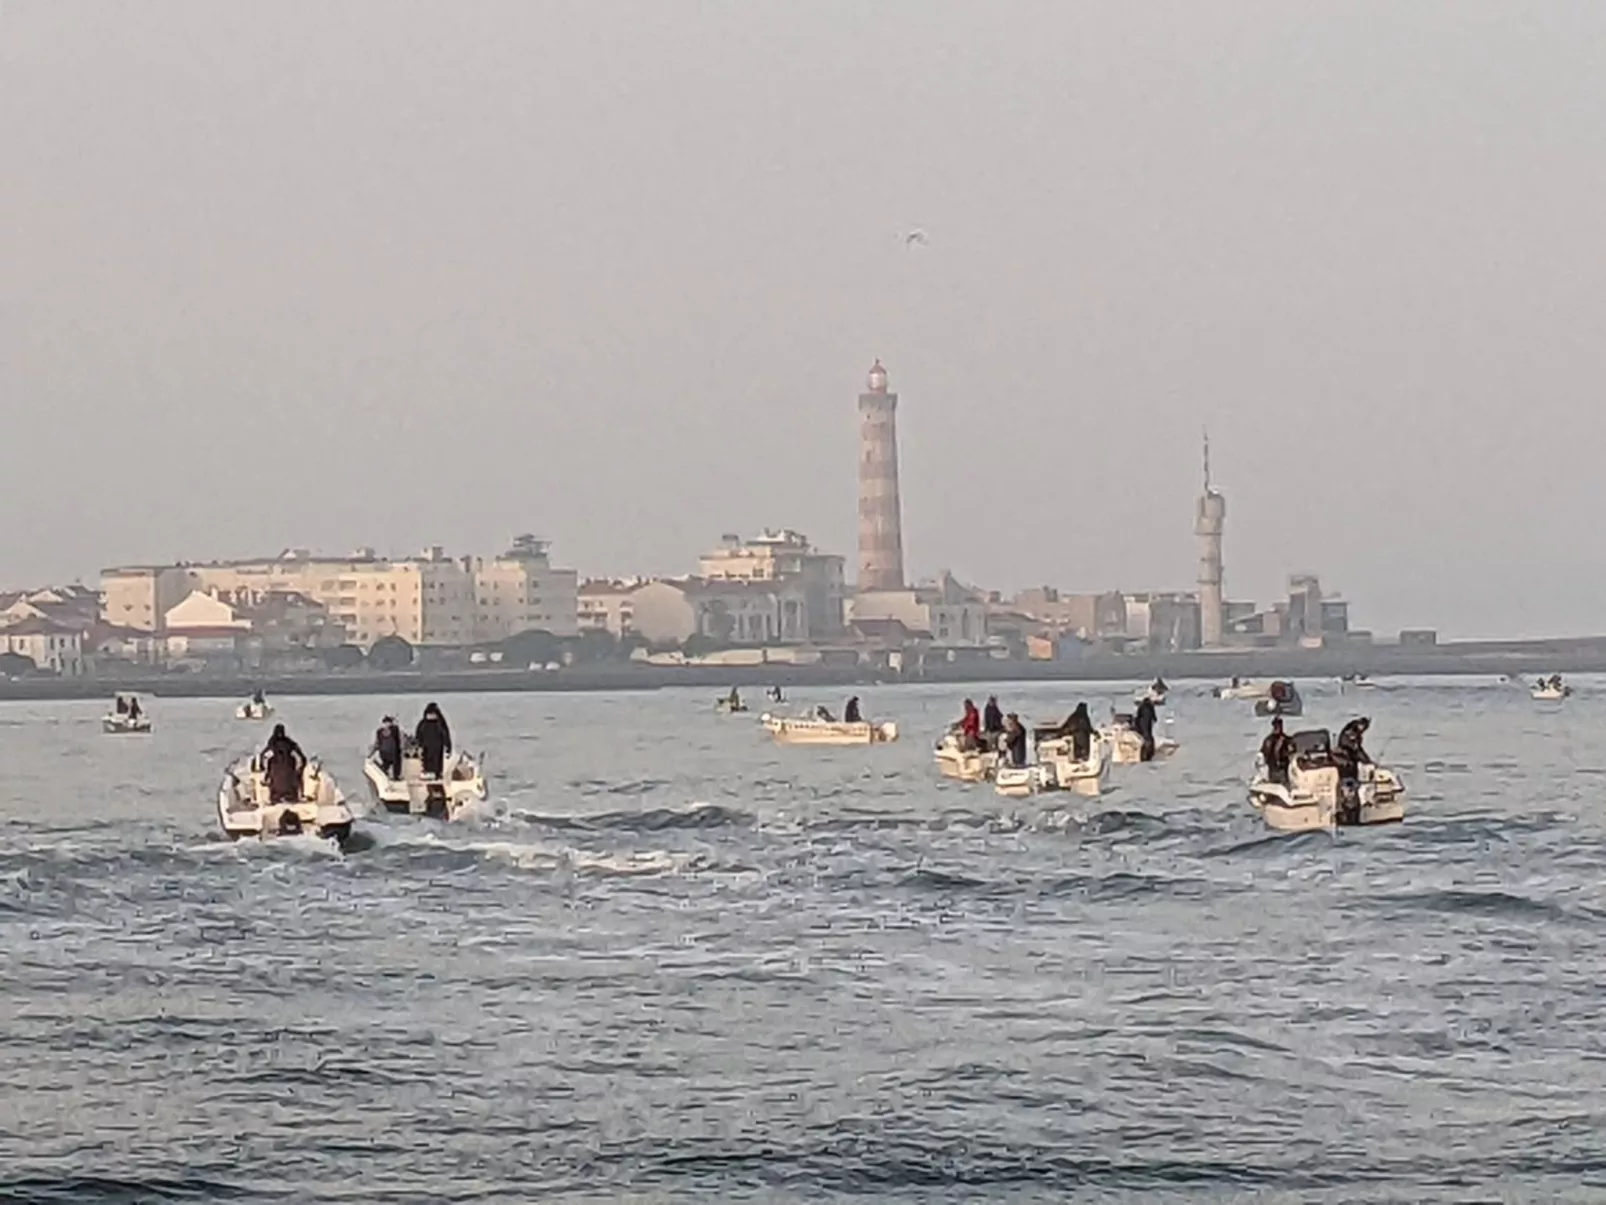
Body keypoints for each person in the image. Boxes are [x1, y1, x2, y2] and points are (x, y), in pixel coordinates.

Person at [260, 723, 306, 803]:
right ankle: (301, 794)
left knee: (271, 767)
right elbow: (302, 757)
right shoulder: (289, 742)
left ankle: (267, 781)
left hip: (276, 767)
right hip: (289, 768)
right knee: (295, 772)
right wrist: (301, 769)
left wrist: (262, 767)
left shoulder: (272, 742)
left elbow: (262, 754)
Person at [415, 702, 453, 778]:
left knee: (432, 761)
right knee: (433, 761)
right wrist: (448, 747)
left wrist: (418, 745)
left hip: (433, 746)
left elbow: (418, 735)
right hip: (433, 746)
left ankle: (434, 773)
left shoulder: (425, 723)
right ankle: (435, 773)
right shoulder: (439, 723)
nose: (431, 716)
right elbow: (445, 734)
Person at [1335, 716, 1373, 782]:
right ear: (1361, 725)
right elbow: (1353, 746)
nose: (1364, 730)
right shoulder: (1352, 730)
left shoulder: (1356, 732)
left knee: (1357, 762)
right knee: (1353, 763)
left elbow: (1358, 748)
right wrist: (1366, 760)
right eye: (1364, 727)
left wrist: (1367, 759)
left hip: (1350, 750)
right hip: (1346, 750)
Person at [1260, 717, 1293, 785]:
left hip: (1281, 770)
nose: (1279, 727)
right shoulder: (1269, 740)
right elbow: (1263, 755)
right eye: (1277, 726)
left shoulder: (1285, 739)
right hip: (1275, 770)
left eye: (1279, 725)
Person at [372, 715, 403, 780]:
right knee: (396, 764)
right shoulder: (394, 729)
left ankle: (384, 773)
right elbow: (398, 740)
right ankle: (395, 777)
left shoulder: (379, 731)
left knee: (386, 764)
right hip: (392, 752)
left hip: (384, 752)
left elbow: (377, 743)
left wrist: (371, 753)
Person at [1132, 696, 1158, 762]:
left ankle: (1145, 754)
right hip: (1147, 724)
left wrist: (1136, 725)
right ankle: (1149, 754)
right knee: (1149, 738)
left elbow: (1138, 716)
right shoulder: (1150, 707)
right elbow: (1155, 718)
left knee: (1144, 738)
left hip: (1142, 724)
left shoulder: (1141, 706)